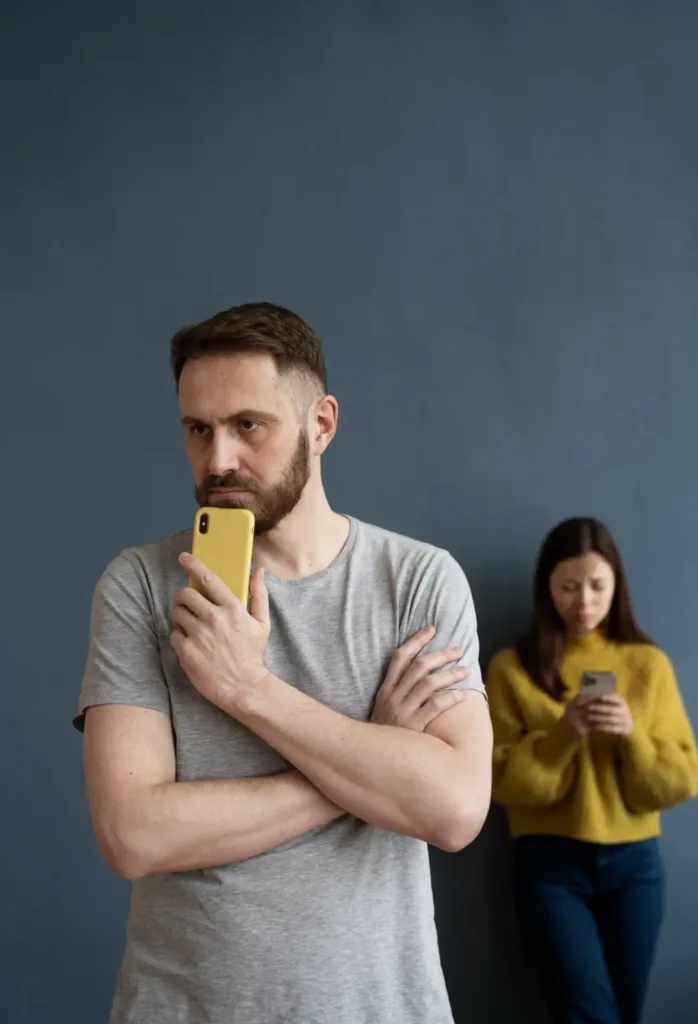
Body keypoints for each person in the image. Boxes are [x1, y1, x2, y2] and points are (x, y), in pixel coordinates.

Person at [76, 301, 493, 1024]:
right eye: (197, 429)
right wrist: (365, 759)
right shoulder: (140, 584)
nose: (218, 461)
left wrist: (251, 691)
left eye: (248, 426)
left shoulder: (418, 581)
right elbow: (133, 835)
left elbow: (454, 811)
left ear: (321, 424)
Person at [487, 517, 698, 1024]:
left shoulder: (648, 665)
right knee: (587, 1013)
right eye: (568, 586)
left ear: (616, 586)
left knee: (626, 1012)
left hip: (635, 866)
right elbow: (500, 784)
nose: (583, 601)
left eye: (597, 586)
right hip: (550, 866)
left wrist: (631, 737)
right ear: (547, 587)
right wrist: (563, 734)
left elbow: (682, 779)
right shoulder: (511, 669)